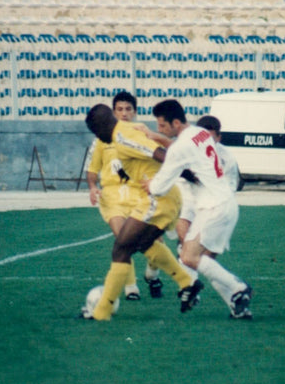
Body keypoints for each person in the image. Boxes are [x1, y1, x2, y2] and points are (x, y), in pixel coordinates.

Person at [83, 103, 203, 321]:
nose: (98, 137)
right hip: (156, 199)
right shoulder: (123, 134)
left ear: (101, 126)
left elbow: (159, 153)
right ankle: (187, 282)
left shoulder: (122, 136)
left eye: (96, 132)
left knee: (121, 248)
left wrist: (187, 173)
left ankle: (102, 312)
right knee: (143, 244)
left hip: (158, 199)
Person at [145, 100, 252, 319]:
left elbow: (159, 187)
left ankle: (238, 288)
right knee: (201, 260)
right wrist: (159, 138)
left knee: (188, 257)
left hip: (214, 207)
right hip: (225, 204)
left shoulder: (181, 147)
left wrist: (149, 184)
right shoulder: (201, 133)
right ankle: (238, 308)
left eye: (163, 126)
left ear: (175, 122)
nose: (160, 129)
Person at [84, 91, 163, 300]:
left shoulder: (141, 134)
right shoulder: (102, 139)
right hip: (113, 197)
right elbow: (92, 169)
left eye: (128, 109)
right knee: (122, 240)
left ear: (135, 112)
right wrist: (93, 187)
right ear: (113, 112)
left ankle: (152, 275)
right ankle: (131, 289)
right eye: (119, 109)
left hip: (140, 194)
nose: (124, 113)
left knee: (157, 241)